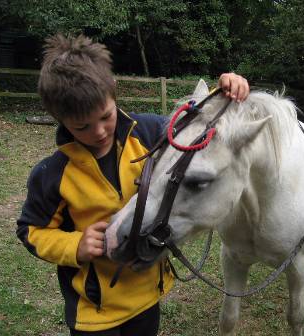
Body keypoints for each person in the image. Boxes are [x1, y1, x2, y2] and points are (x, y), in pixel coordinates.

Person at [16, 33, 249, 336]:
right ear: (58, 117)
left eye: (106, 116)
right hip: (95, 311)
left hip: (147, 297)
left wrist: (225, 89)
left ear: (113, 92)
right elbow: (30, 230)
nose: (99, 132)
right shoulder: (51, 173)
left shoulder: (150, 133)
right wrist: (74, 245)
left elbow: (193, 123)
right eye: (81, 126)